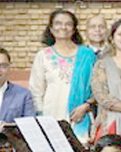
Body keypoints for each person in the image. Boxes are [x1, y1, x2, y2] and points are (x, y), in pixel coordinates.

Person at [29, 8, 98, 140]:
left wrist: (87, 106)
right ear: (51, 28)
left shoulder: (87, 55)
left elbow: (98, 87)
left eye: (68, 24)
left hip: (79, 117)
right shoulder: (43, 56)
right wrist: (41, 119)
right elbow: (36, 91)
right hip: (51, 117)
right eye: (58, 23)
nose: (63, 27)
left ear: (74, 29)